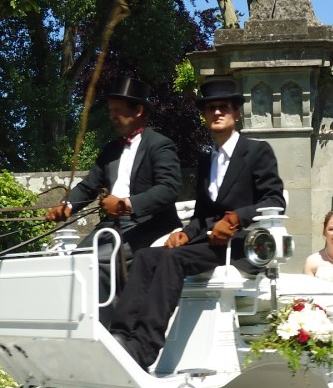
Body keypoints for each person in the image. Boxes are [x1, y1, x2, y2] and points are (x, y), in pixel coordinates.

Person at [108, 77, 286, 371]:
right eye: (210, 108)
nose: (217, 112)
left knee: (171, 260)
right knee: (146, 256)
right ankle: (120, 335)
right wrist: (184, 233)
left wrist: (235, 218)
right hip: (207, 245)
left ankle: (144, 348)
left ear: (236, 113)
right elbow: (202, 215)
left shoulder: (257, 151)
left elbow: (275, 200)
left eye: (223, 107)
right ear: (204, 115)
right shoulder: (206, 161)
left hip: (240, 245)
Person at [45, 78, 180, 318]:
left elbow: (169, 188)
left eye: (118, 110)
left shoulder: (160, 145)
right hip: (112, 226)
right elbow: (88, 186)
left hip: (148, 225)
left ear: (138, 111)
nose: (112, 116)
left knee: (94, 263)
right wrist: (67, 206)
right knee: (76, 262)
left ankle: (106, 328)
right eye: (110, 111)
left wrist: (126, 204)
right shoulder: (110, 150)